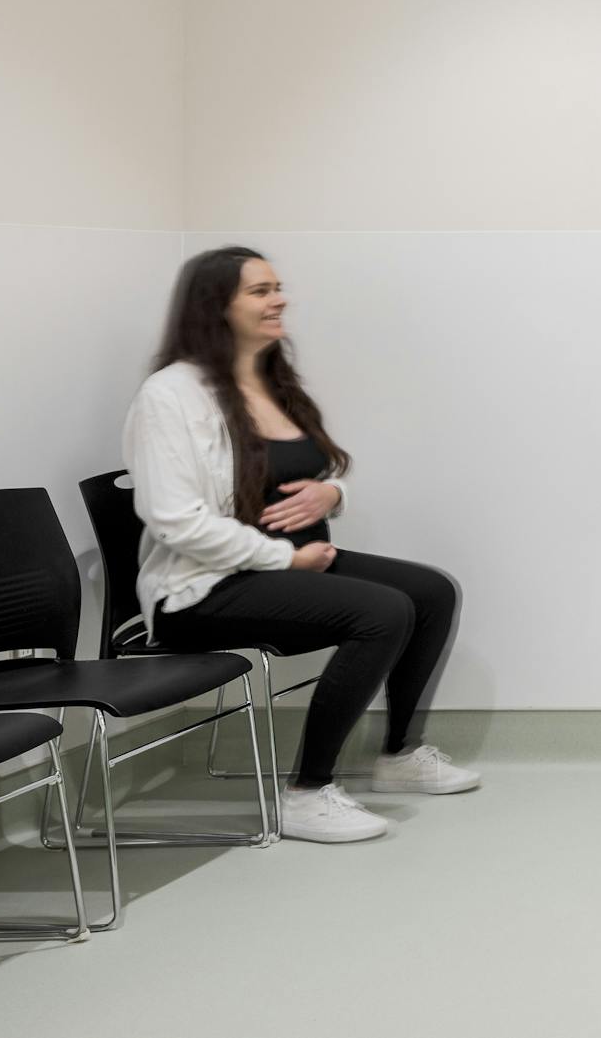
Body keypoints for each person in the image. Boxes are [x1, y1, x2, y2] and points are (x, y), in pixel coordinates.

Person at [125, 246, 479, 844]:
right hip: (205, 590)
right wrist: (288, 557)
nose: (279, 299)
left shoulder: (269, 379)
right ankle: (308, 792)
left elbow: (317, 472)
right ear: (216, 306)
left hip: (294, 565)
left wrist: (331, 497)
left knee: (432, 591)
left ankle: (397, 755)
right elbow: (173, 520)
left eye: (277, 287)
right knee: (383, 610)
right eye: (260, 291)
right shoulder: (170, 395)